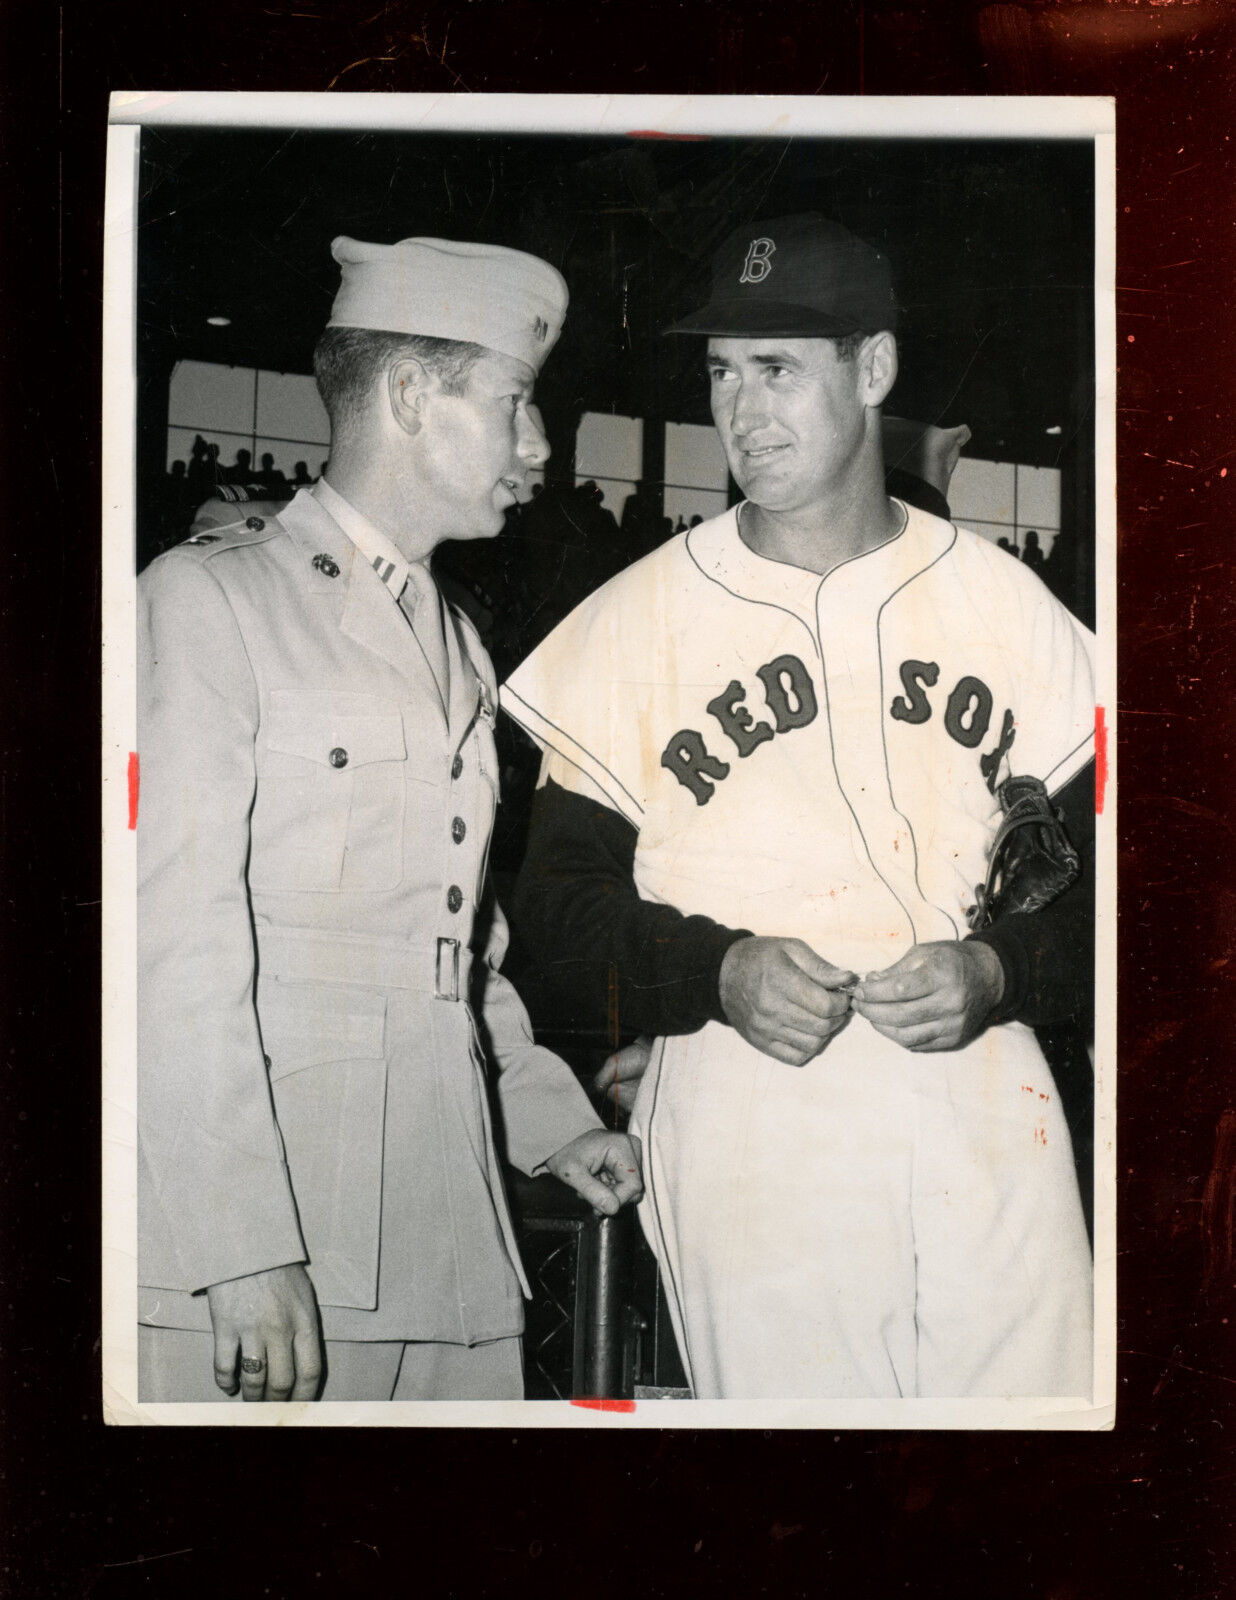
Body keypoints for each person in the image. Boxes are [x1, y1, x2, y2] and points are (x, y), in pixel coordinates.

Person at [502, 214, 1094, 1400]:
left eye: (778, 367)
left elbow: (1139, 899)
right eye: (722, 370)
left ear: (872, 371)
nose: (741, 409)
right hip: (752, 1102)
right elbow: (555, 919)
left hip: (990, 1091)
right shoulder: (638, 618)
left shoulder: (1007, 606)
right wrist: (711, 972)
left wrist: (1002, 971)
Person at [137, 234, 642, 1404]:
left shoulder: (457, 637)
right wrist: (239, 1245)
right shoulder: (212, 600)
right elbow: (170, 946)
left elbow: (454, 946)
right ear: (412, 394)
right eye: (515, 403)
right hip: (278, 1248)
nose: (539, 445)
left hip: (448, 1222)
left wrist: (546, 1120)